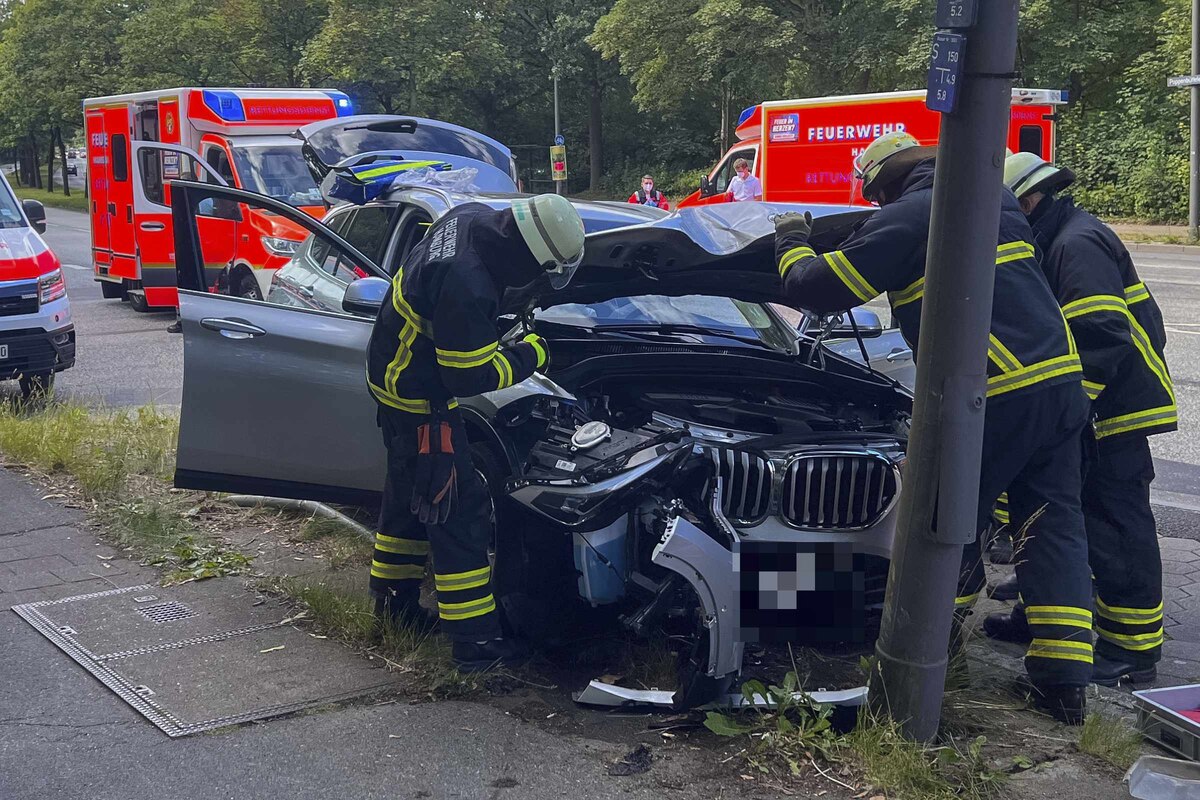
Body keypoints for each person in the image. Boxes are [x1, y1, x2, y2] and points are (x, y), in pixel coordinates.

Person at [772, 131, 1093, 724]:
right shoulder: (986, 197)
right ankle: (1064, 682)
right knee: (1053, 528)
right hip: (1059, 383)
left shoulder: (916, 214)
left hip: (993, 391)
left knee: (944, 523)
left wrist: (791, 242)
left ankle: (927, 661)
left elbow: (814, 290)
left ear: (886, 183)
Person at [365, 194, 585, 671]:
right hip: (420, 399)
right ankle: (476, 645)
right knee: (457, 514)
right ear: (530, 255)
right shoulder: (468, 283)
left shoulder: (472, 216)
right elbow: (466, 377)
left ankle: (392, 607)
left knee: (408, 502)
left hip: (392, 376)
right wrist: (531, 355)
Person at [983, 153, 1176, 687]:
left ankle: (1131, 651)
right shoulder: (1052, 237)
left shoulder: (1076, 243)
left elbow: (1099, 335)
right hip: (1084, 411)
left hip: (1111, 411)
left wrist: (1068, 410)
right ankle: (1038, 617)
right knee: (1055, 517)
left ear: (1025, 201)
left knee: (1114, 525)